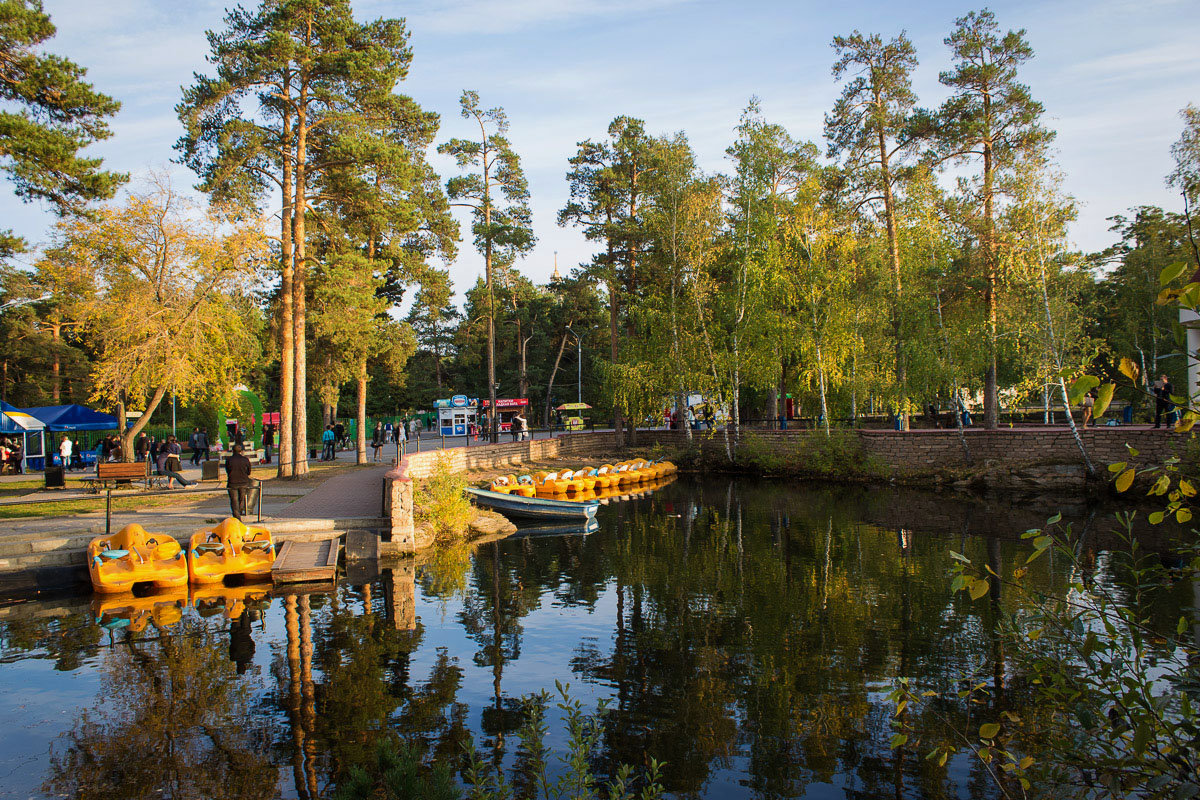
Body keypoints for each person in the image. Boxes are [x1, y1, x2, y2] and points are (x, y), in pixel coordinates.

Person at [224, 442, 253, 520]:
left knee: (234, 500)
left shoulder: (229, 460)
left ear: (233, 451)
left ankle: (237, 516)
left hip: (232, 482)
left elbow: (227, 470)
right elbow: (249, 471)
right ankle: (240, 510)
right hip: (244, 482)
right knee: (242, 498)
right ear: (241, 451)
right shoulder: (245, 459)